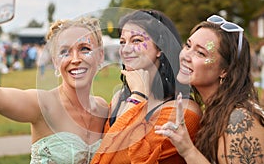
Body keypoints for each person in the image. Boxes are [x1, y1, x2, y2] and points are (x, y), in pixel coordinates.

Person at [0, 0, 109, 163]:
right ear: (55, 61)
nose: (75, 59)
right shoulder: (44, 104)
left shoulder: (103, 108)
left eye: (85, 49)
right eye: (65, 52)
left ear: (100, 56)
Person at [91, 9, 202, 164]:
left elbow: (111, 159)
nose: (126, 49)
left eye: (136, 40)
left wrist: (138, 98)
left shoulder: (183, 110)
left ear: (160, 48)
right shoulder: (119, 99)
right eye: (122, 42)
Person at [155, 14, 264, 164]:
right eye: (188, 45)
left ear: (225, 70)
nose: (186, 55)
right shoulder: (215, 111)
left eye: (200, 53)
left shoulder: (239, 119)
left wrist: (188, 150)